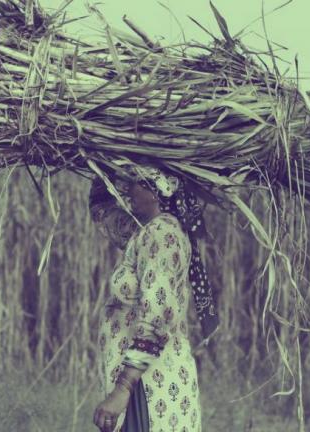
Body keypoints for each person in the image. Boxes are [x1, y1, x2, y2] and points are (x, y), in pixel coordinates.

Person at [89, 165, 220, 432]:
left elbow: (157, 320)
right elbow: (104, 213)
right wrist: (100, 162)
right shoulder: (144, 232)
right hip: (140, 380)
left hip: (149, 383)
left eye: (135, 183)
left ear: (157, 190)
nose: (127, 190)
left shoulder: (164, 235)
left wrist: (122, 389)